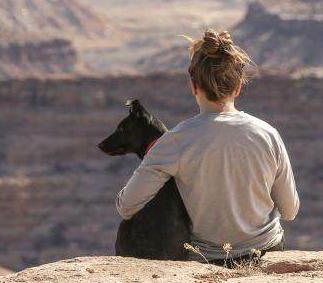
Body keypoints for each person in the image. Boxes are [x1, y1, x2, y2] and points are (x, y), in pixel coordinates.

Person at [115, 29, 300, 265]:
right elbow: (290, 210)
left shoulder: (175, 141)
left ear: (194, 86)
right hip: (266, 252)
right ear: (238, 87)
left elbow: (126, 206)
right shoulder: (268, 134)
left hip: (208, 260)